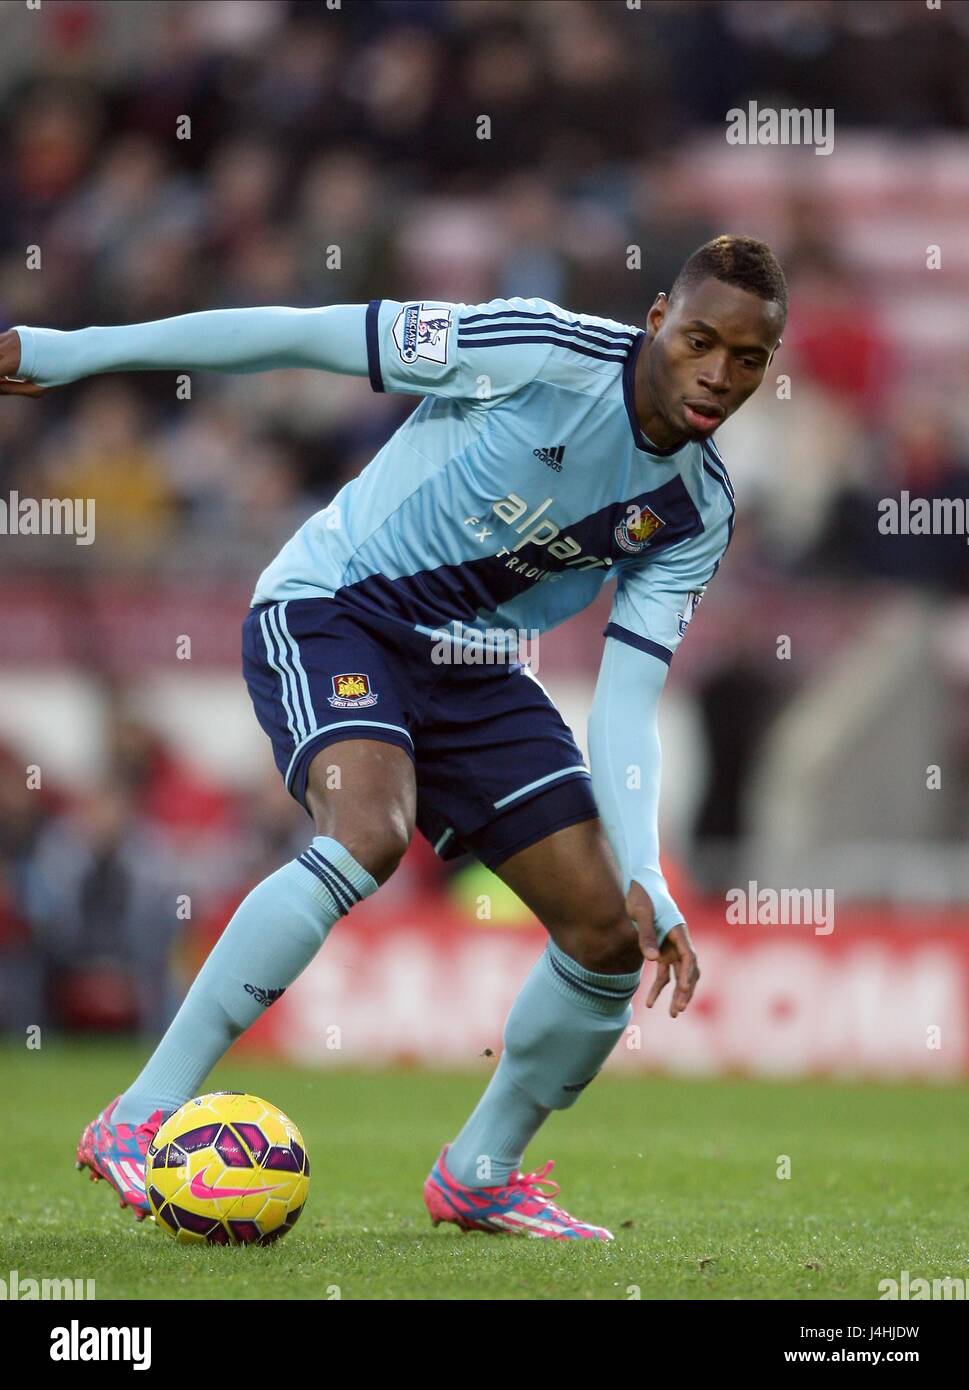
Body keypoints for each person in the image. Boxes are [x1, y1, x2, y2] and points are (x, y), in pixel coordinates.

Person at [0, 233, 786, 1240]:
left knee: (603, 934)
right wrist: (69, 351)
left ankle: (480, 1172)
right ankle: (140, 1112)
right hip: (337, 608)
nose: (719, 373)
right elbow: (299, 334)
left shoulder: (698, 510)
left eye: (750, 358)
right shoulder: (533, 349)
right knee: (368, 831)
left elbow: (628, 701)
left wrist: (649, 868)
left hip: (473, 669)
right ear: (656, 324)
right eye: (700, 341)